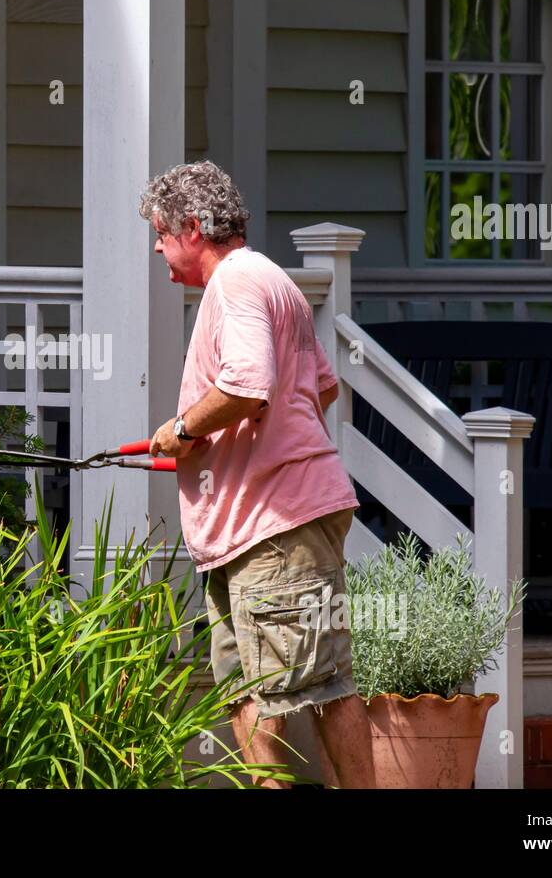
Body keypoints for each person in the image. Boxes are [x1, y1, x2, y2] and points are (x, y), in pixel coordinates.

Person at [142, 160, 376, 789]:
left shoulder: (237, 282)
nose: (159, 250)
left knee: (323, 684)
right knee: (245, 686)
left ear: (193, 227)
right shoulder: (275, 282)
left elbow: (248, 385)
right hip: (246, 532)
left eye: (162, 235)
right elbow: (318, 390)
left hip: (277, 527)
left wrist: (185, 430)